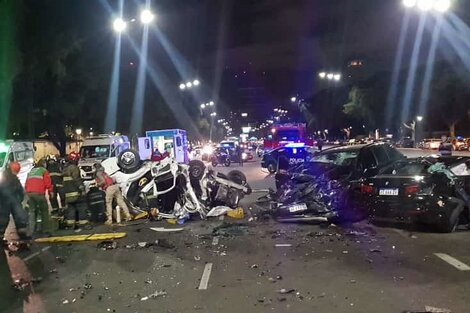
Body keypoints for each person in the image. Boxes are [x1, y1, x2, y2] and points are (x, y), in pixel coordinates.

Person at [0, 162, 29, 240]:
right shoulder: (13, 178)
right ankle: (23, 236)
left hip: (5, 201)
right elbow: (20, 191)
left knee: (3, 219)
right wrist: (20, 199)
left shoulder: (4, 176)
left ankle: (1, 236)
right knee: (19, 217)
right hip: (11, 201)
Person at [25, 158, 53, 236]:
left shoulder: (31, 171)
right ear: (43, 164)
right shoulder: (43, 170)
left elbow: (26, 184)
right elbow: (47, 182)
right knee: (44, 211)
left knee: (32, 212)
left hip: (29, 193)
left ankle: (31, 231)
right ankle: (46, 230)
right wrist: (51, 191)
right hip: (39, 193)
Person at [62, 153, 88, 228]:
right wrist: (82, 189)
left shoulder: (65, 169)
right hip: (75, 193)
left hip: (68, 194)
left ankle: (70, 224)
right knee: (82, 207)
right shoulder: (74, 168)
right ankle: (84, 224)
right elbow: (76, 180)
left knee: (71, 209)